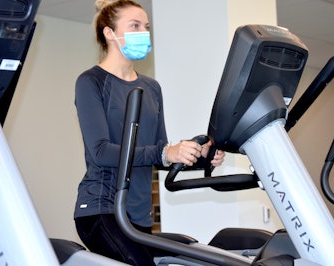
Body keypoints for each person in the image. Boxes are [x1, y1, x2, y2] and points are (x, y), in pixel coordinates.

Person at [73, 0, 225, 265]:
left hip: (139, 214)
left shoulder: (151, 87)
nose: (144, 32)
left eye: (146, 26)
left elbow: (158, 154)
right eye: (134, 26)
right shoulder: (91, 81)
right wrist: (167, 151)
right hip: (101, 208)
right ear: (110, 33)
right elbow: (100, 152)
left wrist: (197, 157)